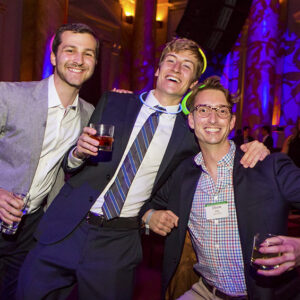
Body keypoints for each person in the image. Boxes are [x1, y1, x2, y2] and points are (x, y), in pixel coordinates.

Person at [17, 38, 269, 300]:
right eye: (170, 61)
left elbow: (217, 148)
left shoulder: (189, 134)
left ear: (193, 85)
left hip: (117, 242)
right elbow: (71, 164)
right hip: (67, 227)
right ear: (158, 70)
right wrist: (77, 153)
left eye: (186, 66)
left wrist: (255, 148)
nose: (175, 69)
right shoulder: (114, 102)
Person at [141, 76, 300, 300]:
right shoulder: (182, 175)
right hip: (206, 292)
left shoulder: (268, 167)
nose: (213, 118)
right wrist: (150, 216)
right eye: (203, 110)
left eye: (222, 111)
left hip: (264, 294)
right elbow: (141, 203)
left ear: (232, 121)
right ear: (192, 120)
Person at [0, 23, 97, 299]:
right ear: (54, 57)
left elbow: (70, 163)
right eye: (70, 50)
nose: (79, 60)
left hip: (31, 228)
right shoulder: (9, 96)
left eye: (88, 54)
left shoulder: (89, 115)